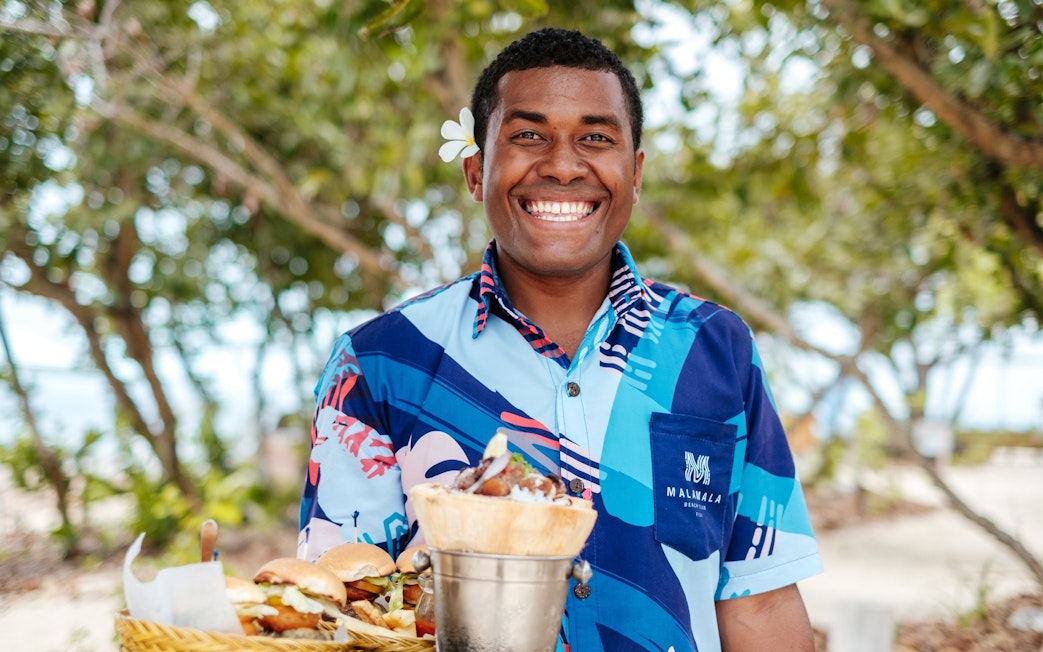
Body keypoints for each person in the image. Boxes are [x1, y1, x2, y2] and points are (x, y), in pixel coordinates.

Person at [298, 27, 822, 651]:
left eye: (596, 138)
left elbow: (760, 605)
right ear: (476, 171)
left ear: (635, 173)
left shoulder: (715, 349)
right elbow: (337, 610)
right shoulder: (380, 363)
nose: (564, 165)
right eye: (527, 136)